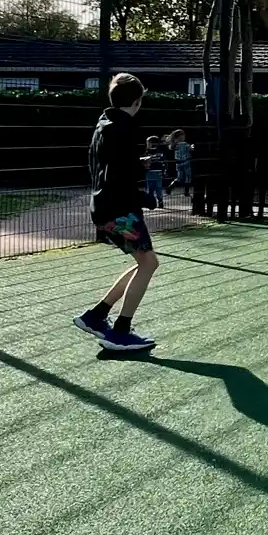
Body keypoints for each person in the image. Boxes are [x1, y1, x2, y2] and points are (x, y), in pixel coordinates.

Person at [75, 74, 160, 352]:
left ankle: (96, 315)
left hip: (103, 206)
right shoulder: (124, 129)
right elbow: (118, 178)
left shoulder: (105, 124)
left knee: (143, 262)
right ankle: (119, 332)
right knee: (148, 263)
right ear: (137, 101)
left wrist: (138, 166)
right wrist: (144, 197)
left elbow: (110, 165)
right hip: (120, 208)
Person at [143, 134, 168, 209]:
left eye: (148, 143)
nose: (147, 145)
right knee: (149, 189)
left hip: (157, 172)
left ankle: (160, 202)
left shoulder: (159, 152)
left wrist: (165, 170)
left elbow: (164, 161)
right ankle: (150, 203)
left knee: (158, 189)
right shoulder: (146, 152)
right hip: (149, 172)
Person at [168, 129, 193, 199]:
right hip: (186, 162)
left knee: (179, 178)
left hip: (178, 163)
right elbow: (191, 149)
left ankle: (169, 188)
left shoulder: (174, 145)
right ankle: (186, 192)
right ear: (180, 136)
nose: (184, 136)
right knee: (188, 178)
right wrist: (192, 146)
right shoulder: (184, 144)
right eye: (183, 135)